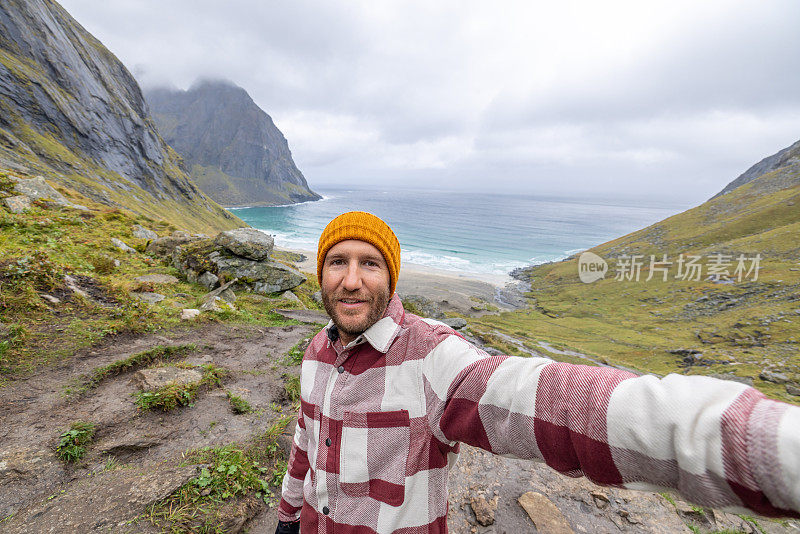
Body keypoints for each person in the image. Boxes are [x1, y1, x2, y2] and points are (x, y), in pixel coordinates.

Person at [276, 211, 800, 533]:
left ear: (391, 277)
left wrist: (751, 443)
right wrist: (287, 518)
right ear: (319, 273)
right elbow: (306, 443)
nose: (350, 280)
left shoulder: (432, 358)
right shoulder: (316, 354)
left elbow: (541, 401)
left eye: (369, 263)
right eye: (337, 262)